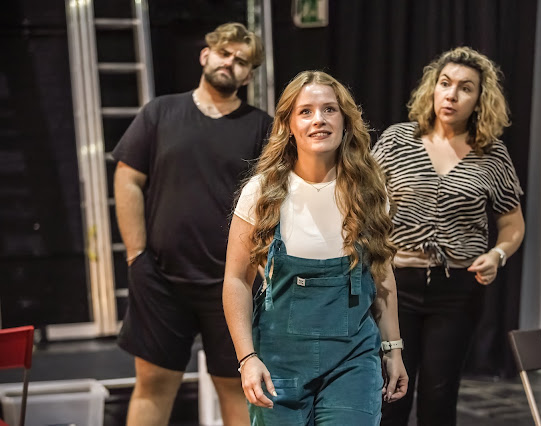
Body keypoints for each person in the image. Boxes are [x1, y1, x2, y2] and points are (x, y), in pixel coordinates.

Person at [223, 70, 409, 425]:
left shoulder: (370, 192)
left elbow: (382, 275)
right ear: (289, 125)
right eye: (305, 111)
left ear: (345, 121)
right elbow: (236, 280)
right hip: (278, 363)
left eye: (329, 109)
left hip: (353, 360)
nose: (318, 119)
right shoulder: (261, 193)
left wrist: (393, 348)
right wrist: (247, 358)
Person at [112, 22, 272, 426]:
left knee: (238, 390)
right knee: (152, 385)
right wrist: (136, 257)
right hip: (161, 279)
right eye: (225, 54)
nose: (230, 64)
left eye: (241, 61)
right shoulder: (160, 112)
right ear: (205, 55)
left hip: (233, 283)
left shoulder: (262, 128)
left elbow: (273, 203)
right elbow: (127, 178)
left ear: (249, 75)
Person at [374, 47, 526, 426]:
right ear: (432, 89)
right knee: (389, 394)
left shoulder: (493, 154)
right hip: (395, 286)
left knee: (439, 398)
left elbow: (512, 225)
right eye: (445, 84)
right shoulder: (397, 140)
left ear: (479, 99)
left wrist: (498, 255)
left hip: (457, 288)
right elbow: (363, 205)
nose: (452, 95)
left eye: (465, 88)